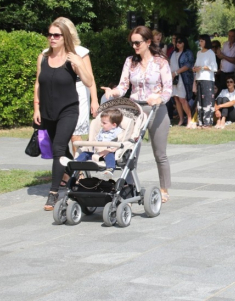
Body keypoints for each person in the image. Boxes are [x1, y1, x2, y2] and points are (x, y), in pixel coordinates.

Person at [102, 26, 173, 203]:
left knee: (160, 153)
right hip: (134, 110)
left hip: (156, 110)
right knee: (130, 151)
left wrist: (159, 99)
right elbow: (123, 86)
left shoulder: (161, 62)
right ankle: (130, 187)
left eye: (137, 42)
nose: (134, 46)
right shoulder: (130, 61)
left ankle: (164, 189)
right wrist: (113, 91)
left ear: (148, 42)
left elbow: (168, 90)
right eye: (132, 43)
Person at [33, 20, 94, 211]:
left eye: (56, 35)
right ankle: (78, 175)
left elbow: (89, 81)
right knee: (58, 149)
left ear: (64, 37)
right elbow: (38, 83)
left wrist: (79, 65)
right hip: (48, 111)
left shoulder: (72, 58)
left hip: (69, 110)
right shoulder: (43, 57)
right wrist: (36, 107)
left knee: (58, 148)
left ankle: (53, 193)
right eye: (50, 34)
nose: (52, 38)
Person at [52, 17, 99, 159]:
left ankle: (79, 171)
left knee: (75, 134)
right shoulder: (49, 52)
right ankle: (65, 170)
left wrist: (95, 100)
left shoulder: (81, 51)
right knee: (58, 135)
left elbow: (90, 78)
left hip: (79, 91)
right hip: (57, 94)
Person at [72, 108, 123, 180]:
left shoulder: (117, 132)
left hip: (108, 152)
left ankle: (110, 169)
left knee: (110, 157)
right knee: (84, 153)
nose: (101, 125)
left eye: (104, 123)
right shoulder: (102, 131)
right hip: (97, 152)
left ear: (114, 125)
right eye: (101, 122)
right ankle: (76, 162)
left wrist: (109, 150)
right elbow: (96, 140)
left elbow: (119, 143)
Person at [169, 35, 195, 128]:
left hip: (183, 78)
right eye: (177, 42)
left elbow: (189, 65)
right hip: (174, 78)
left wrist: (176, 73)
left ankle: (189, 118)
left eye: (180, 42)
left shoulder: (188, 52)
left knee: (182, 99)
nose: (177, 44)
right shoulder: (173, 52)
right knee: (176, 99)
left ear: (184, 43)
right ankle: (181, 119)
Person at [193, 34, 218, 128]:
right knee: (200, 100)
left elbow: (214, 67)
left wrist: (202, 68)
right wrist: (195, 68)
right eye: (199, 41)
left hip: (207, 78)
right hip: (199, 78)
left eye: (202, 41)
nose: (200, 43)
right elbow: (196, 64)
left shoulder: (210, 53)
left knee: (207, 100)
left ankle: (208, 122)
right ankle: (201, 121)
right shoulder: (199, 53)